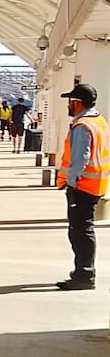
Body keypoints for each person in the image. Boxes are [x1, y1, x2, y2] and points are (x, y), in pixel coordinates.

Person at [56, 82, 110, 290]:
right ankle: (82, 271)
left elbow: (80, 158)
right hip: (95, 184)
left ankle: (85, 275)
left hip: (83, 187)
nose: (68, 106)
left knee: (81, 231)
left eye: (70, 102)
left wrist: (72, 182)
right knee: (82, 229)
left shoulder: (82, 126)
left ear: (77, 103)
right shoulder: (99, 121)